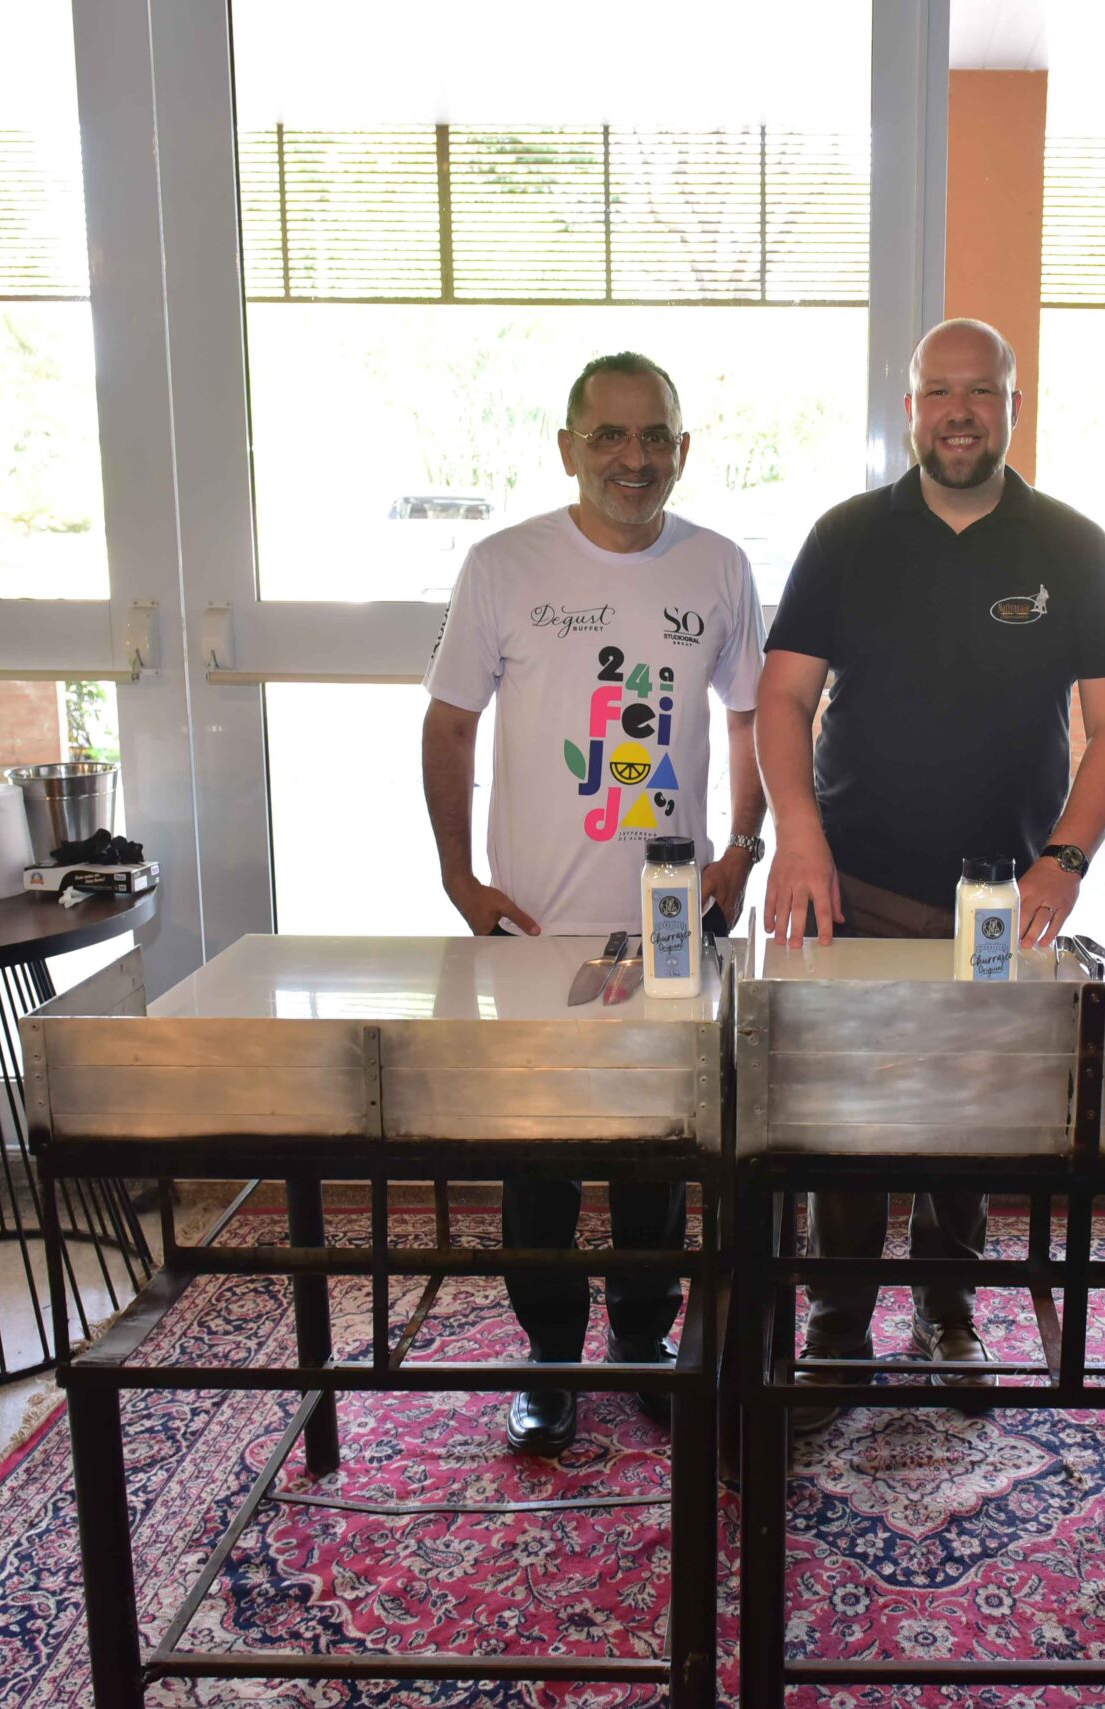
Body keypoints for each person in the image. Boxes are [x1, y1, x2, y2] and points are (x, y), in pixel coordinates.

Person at [757, 317, 1105, 1423]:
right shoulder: (845, 537)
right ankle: (837, 1325)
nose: (960, 412)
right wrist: (798, 834)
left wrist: (1064, 860)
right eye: (940, 392)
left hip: (997, 906)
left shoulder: (1073, 545)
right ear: (911, 410)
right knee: (848, 1117)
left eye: (981, 392)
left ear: (1014, 407)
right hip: (856, 887)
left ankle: (948, 1313)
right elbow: (783, 698)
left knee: (969, 1120)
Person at [422, 351, 768, 1454]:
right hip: (533, 929)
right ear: (568, 447)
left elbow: (753, 718)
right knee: (538, 1160)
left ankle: (641, 1338)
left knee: (656, 1153)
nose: (633, 457)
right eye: (609, 435)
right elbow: (449, 722)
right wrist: (458, 875)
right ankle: (549, 1358)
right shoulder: (503, 564)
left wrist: (744, 847)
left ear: (682, 449)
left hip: (670, 923)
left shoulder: (718, 565)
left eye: (654, 435)